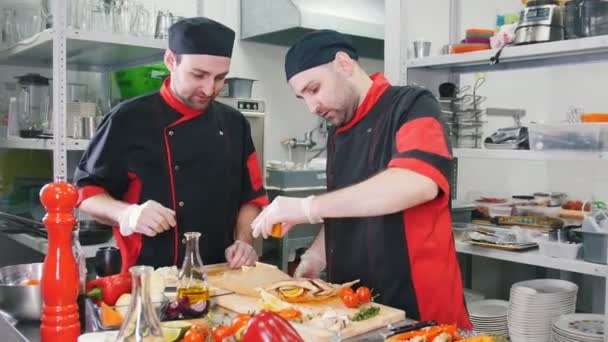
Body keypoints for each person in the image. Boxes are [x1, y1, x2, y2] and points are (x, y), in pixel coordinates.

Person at [251, 30, 471, 328]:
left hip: (418, 305)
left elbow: (418, 181)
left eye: (314, 89)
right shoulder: (337, 130)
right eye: (302, 97)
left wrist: (306, 208)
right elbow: (349, 204)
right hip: (356, 304)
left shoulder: (411, 104)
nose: (312, 107)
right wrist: (316, 258)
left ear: (343, 63)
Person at [75, 17, 268, 272]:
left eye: (220, 78)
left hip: (220, 273)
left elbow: (251, 197)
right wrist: (127, 214)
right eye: (198, 75)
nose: (209, 89)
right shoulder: (128, 118)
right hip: (149, 275)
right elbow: (86, 194)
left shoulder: (235, 123)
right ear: (170, 61)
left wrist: (244, 242)